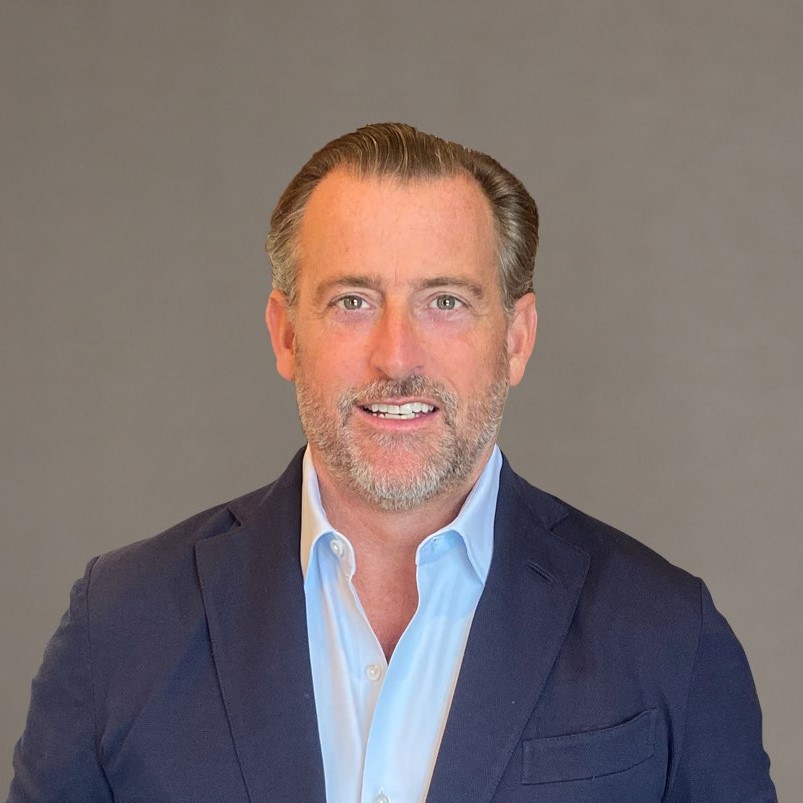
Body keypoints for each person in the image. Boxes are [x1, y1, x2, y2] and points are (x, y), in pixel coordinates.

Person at [8, 122, 776, 803]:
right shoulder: (121, 626)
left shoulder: (667, 634)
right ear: (285, 334)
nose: (397, 356)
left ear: (515, 339)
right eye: (353, 300)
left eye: (445, 301)